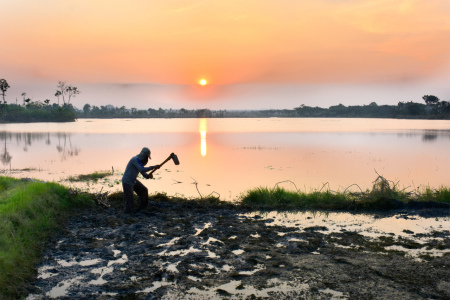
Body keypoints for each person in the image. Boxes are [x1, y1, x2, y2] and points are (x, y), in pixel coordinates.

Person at [122, 147, 160, 213]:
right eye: (146, 157)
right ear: (144, 155)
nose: (146, 159)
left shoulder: (139, 162)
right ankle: (128, 214)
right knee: (130, 203)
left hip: (133, 180)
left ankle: (143, 208)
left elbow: (143, 173)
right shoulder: (135, 159)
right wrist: (153, 167)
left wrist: (148, 176)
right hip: (127, 181)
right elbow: (142, 169)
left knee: (144, 190)